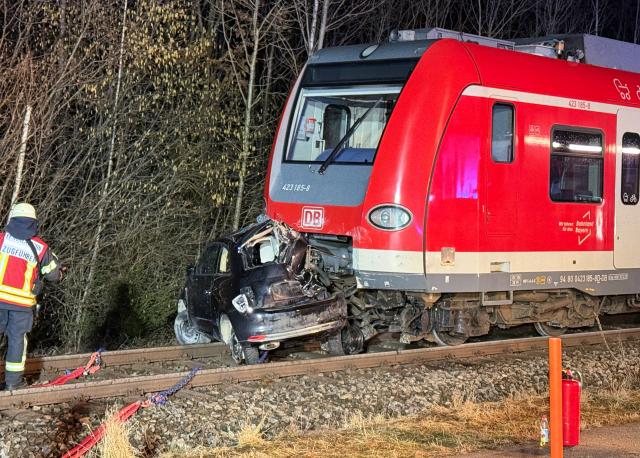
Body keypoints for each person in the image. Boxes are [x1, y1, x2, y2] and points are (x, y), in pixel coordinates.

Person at [0, 203, 60, 390]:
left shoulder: (1, 240)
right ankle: (13, 384)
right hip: (22, 305)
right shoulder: (40, 248)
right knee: (17, 341)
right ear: (34, 223)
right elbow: (54, 275)